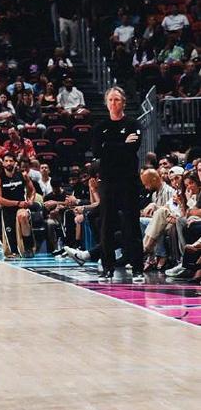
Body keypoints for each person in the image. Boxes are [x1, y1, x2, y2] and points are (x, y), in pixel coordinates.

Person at [92, 86, 145, 282]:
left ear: (123, 102)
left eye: (117, 99)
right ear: (106, 103)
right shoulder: (100, 127)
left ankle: (138, 268)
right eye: (110, 100)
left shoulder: (133, 124)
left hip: (128, 180)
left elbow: (133, 148)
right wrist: (122, 144)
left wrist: (110, 146)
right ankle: (108, 268)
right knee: (106, 224)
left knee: (132, 224)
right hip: (108, 181)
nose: (113, 103)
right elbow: (97, 151)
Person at [0, 152, 36, 257]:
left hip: (21, 207)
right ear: (3, 163)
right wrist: (17, 203)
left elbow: (32, 190)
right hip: (7, 209)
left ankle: (28, 247)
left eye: (11, 161)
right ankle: (14, 250)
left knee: (23, 216)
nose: (8, 163)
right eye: (6, 161)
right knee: (11, 249)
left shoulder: (23, 175)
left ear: (15, 163)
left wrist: (31, 200)